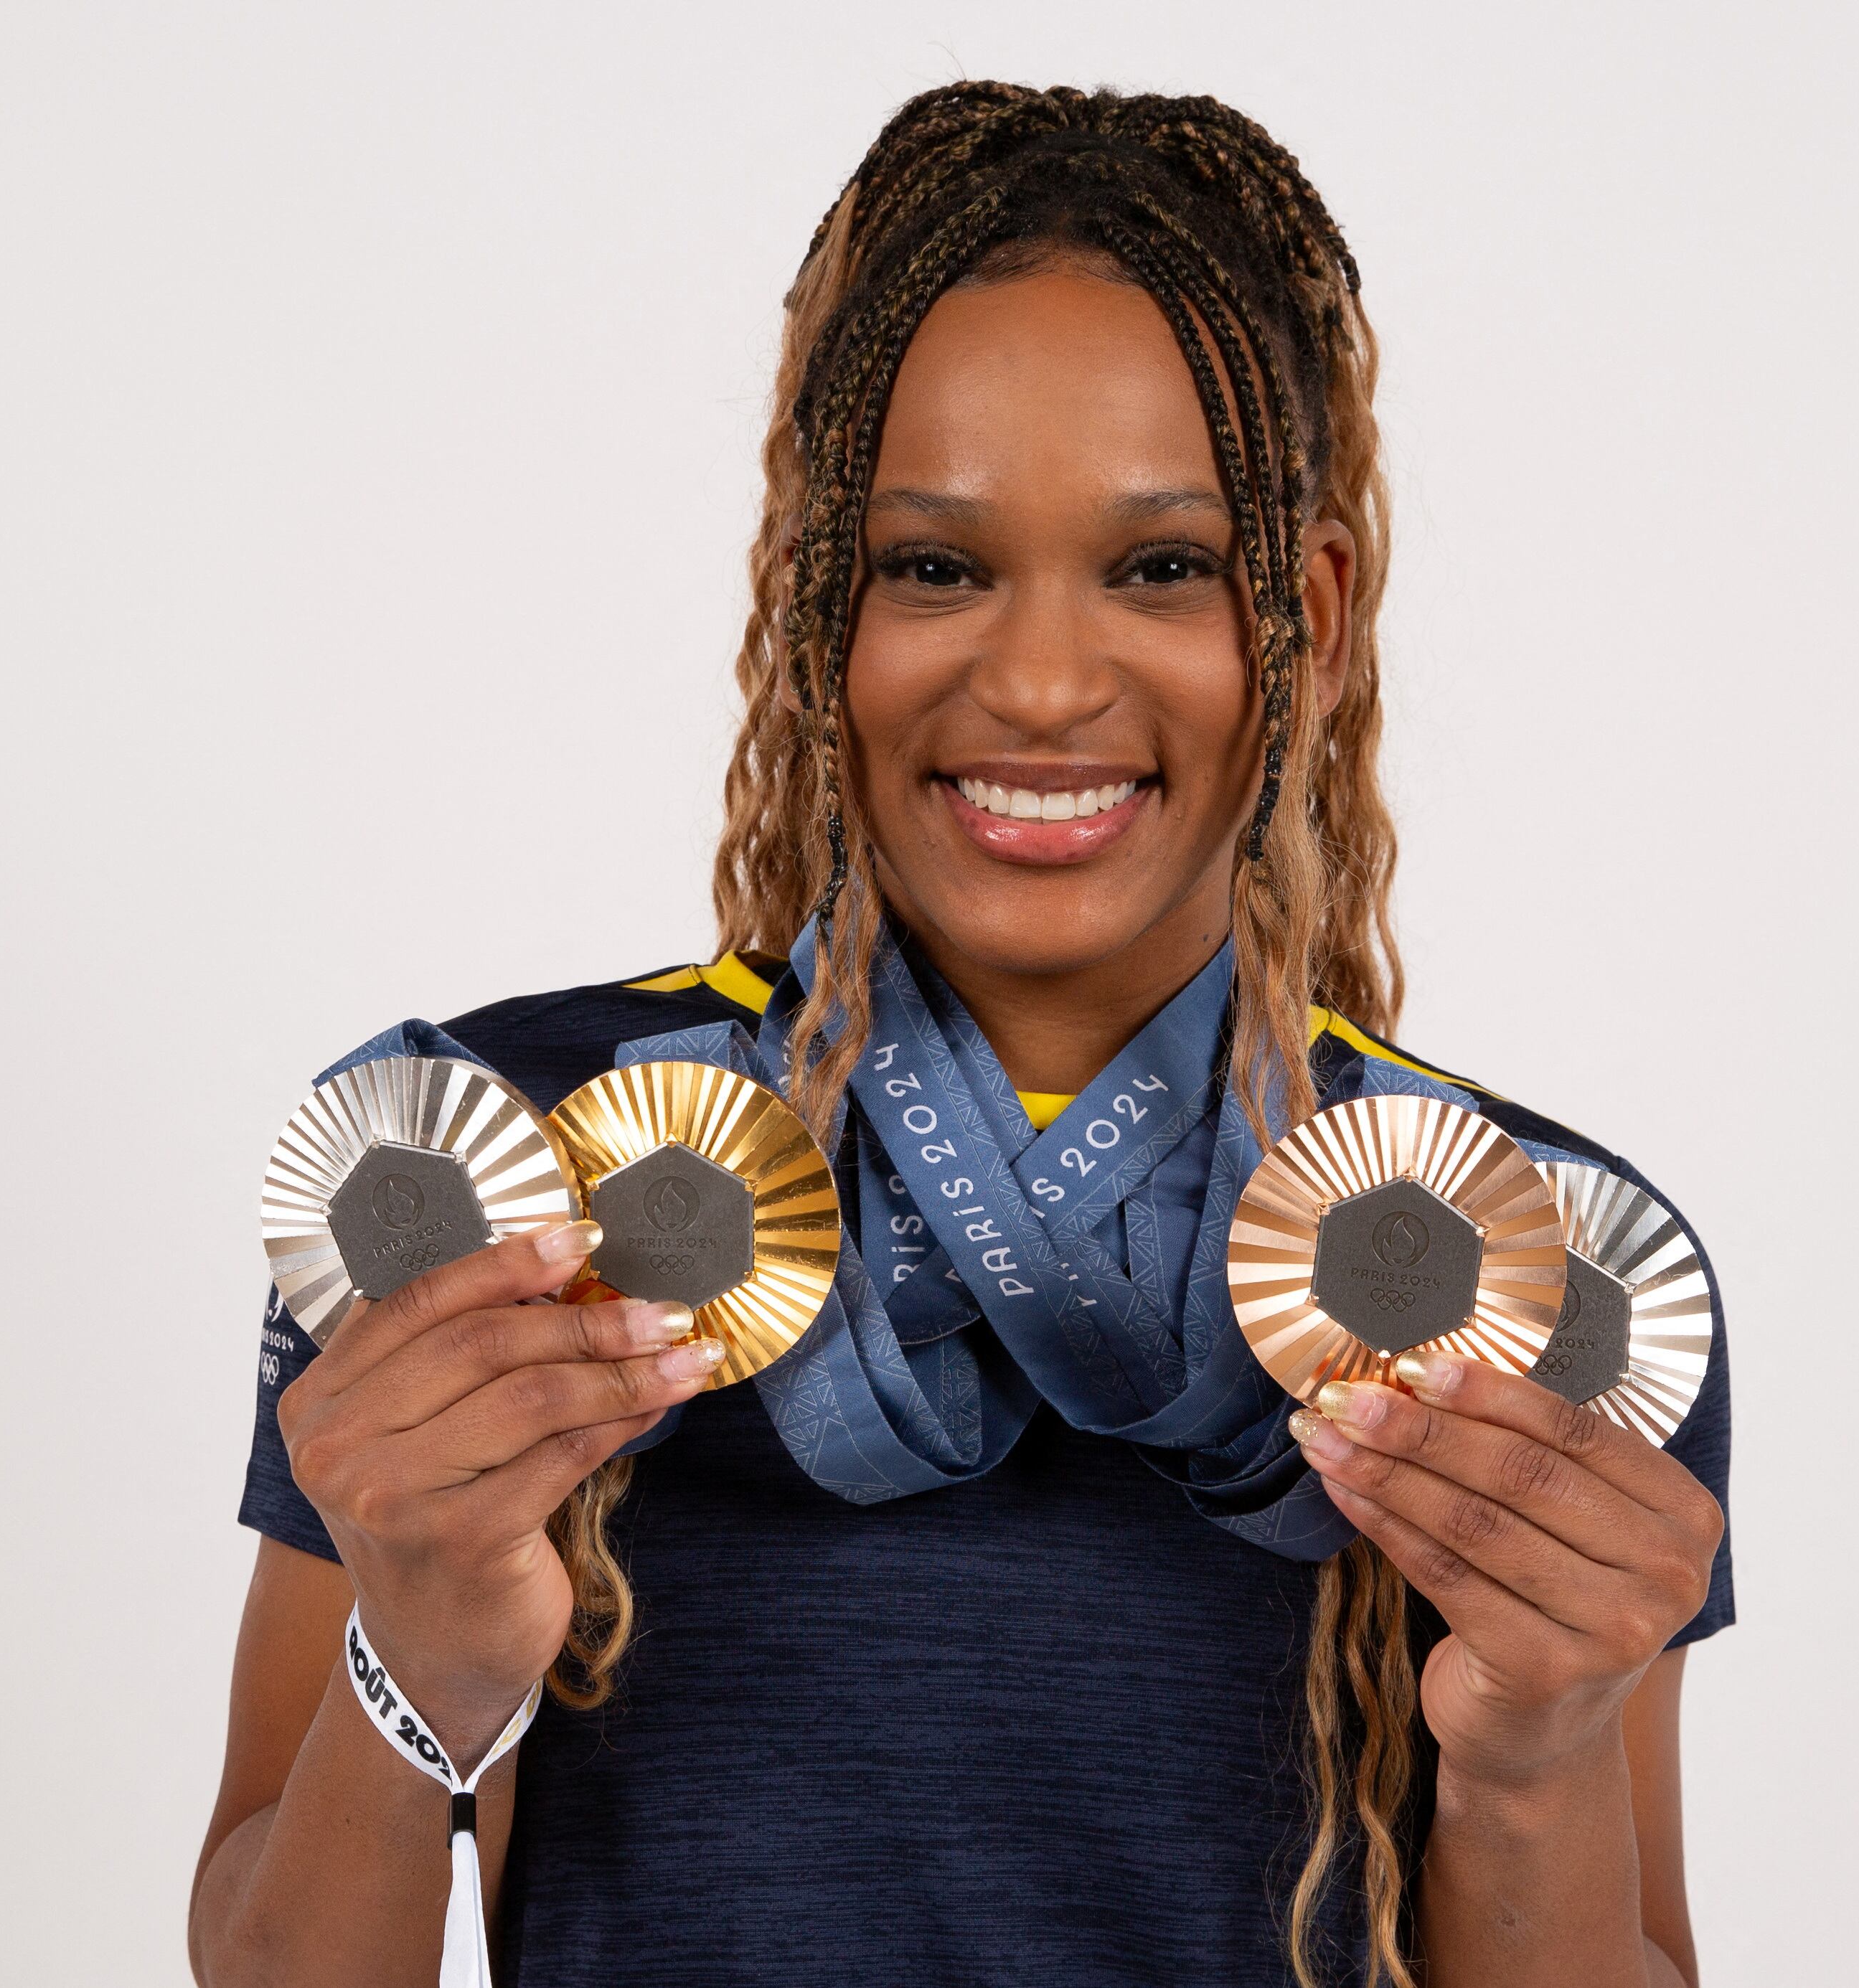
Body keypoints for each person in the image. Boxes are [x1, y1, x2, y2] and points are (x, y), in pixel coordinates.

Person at [189, 83, 1733, 1988]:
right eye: (936, 564)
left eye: (1158, 567)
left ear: (1306, 613)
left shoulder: (1523, 1248)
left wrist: (1532, 1755)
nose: (1041, 681)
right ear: (819, 601)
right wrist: (413, 1666)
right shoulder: (500, 1161)